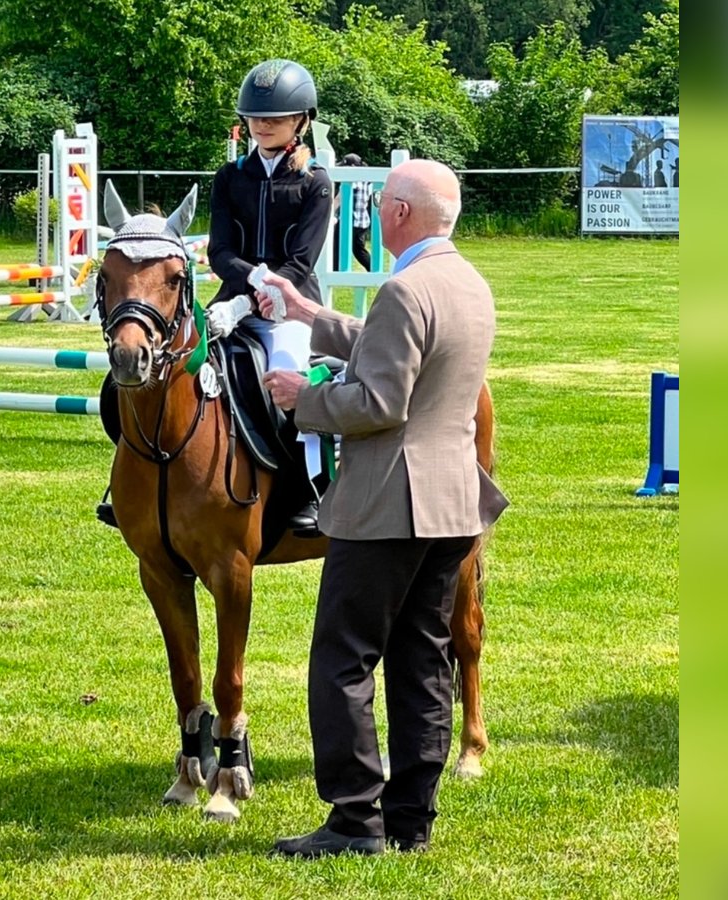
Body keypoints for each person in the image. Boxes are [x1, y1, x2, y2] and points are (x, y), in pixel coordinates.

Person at [258, 159, 509, 858]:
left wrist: (299, 397)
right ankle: (409, 820)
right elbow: (396, 349)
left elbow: (377, 403)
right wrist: (310, 315)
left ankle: (352, 820)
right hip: (453, 502)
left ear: (398, 214)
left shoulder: (403, 290)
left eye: (377, 207)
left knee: (342, 658)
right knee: (422, 660)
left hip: (389, 503)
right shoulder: (468, 283)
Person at [205, 58, 334, 537]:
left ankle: (308, 490)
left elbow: (301, 262)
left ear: (301, 121)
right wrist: (246, 293)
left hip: (293, 308)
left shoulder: (314, 182)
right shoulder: (230, 177)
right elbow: (220, 251)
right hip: (232, 303)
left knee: (289, 378)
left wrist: (269, 292)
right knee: (170, 363)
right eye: (256, 117)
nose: (263, 125)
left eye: (275, 118)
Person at [334, 153, 372, 271]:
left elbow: (339, 199)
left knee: (336, 246)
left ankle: (335, 270)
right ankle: (373, 268)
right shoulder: (367, 180)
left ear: (353, 167)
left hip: (350, 220)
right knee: (359, 250)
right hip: (363, 221)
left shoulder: (351, 181)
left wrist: (331, 213)